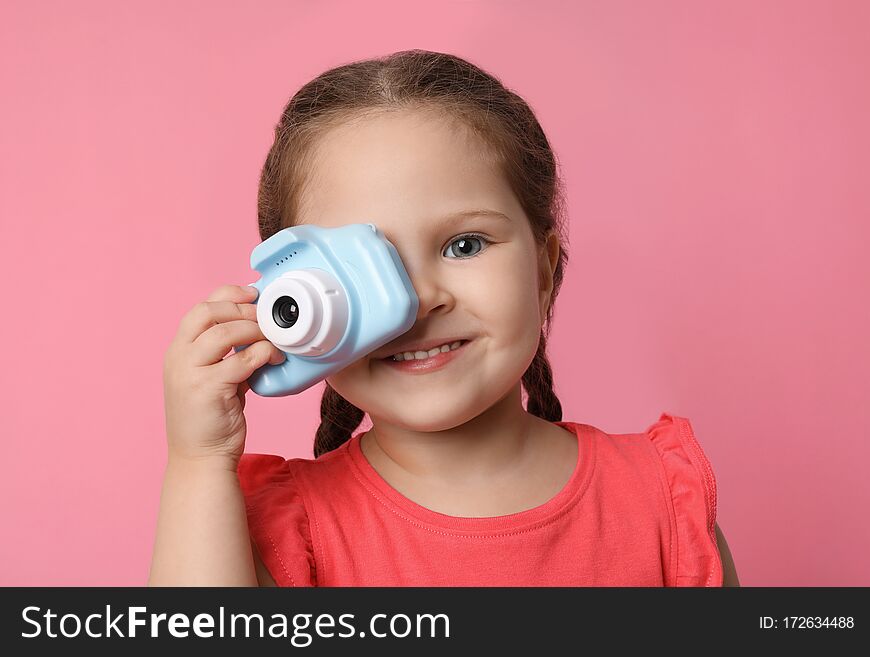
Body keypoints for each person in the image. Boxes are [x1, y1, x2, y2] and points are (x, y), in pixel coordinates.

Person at [148, 49, 740, 587]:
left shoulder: (662, 499)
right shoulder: (282, 535)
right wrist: (197, 465)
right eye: (367, 271)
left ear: (543, 266)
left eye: (465, 245)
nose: (420, 298)